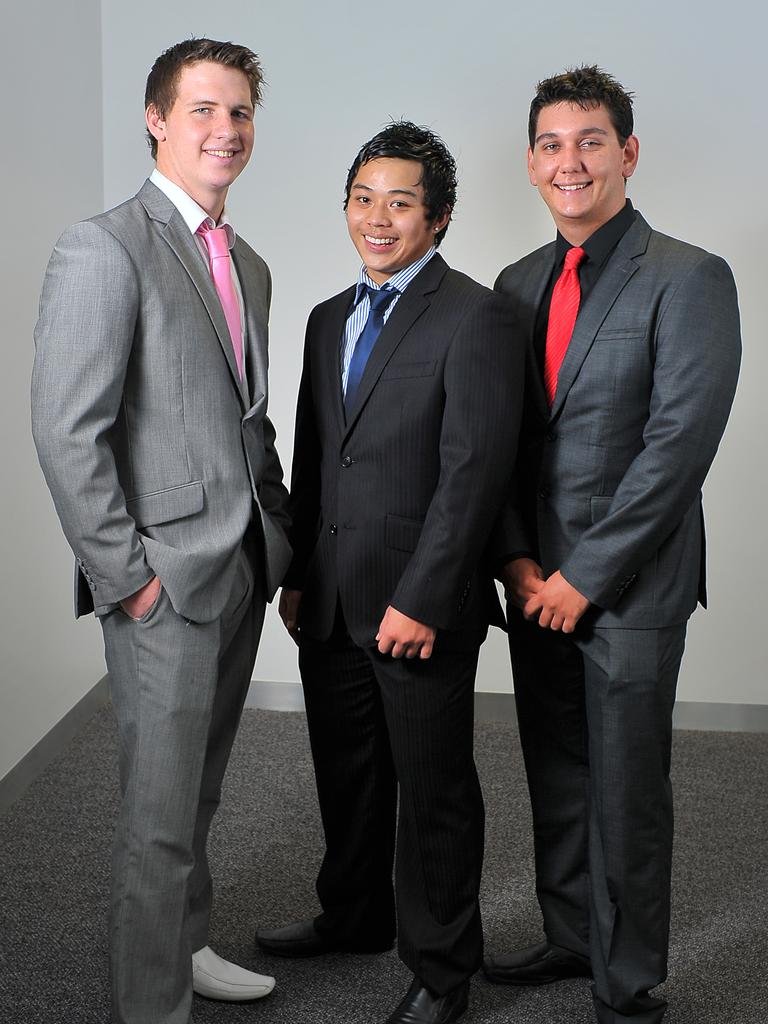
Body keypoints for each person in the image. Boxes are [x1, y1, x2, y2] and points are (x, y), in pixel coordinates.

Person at [31, 37, 291, 1024]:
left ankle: (186, 948)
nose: (225, 130)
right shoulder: (104, 245)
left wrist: (282, 545)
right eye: (204, 111)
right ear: (156, 118)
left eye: (240, 114)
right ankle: (152, 1006)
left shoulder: (247, 262)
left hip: (242, 570)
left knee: (202, 794)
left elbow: (246, 417)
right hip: (161, 582)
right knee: (156, 818)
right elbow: (67, 424)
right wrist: (125, 575)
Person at [482, 66, 741, 1024]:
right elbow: (498, 443)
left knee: (627, 787)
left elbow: (679, 448)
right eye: (552, 143)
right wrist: (518, 565)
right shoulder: (515, 283)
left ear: (627, 153)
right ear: (532, 162)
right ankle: (569, 936)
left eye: (590, 140)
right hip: (534, 579)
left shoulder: (690, 275)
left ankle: (626, 982)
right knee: (555, 768)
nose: (570, 160)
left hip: (627, 588)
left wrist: (583, 579)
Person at [255, 121, 523, 1024]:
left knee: (434, 793)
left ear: (438, 217)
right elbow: (315, 448)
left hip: (420, 602)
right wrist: (295, 571)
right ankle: (355, 914)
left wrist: (421, 595)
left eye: (400, 202)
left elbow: (475, 473)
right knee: (349, 771)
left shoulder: (478, 315)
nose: (377, 218)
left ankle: (444, 969)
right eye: (363, 199)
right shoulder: (329, 316)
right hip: (329, 593)